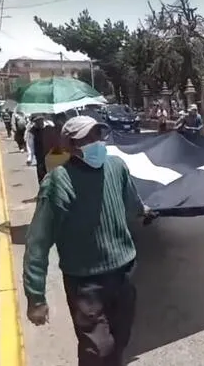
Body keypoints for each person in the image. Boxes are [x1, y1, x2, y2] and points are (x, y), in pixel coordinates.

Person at [23, 115, 151, 365]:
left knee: (120, 341)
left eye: (97, 135)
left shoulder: (117, 167)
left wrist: (146, 212)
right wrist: (36, 297)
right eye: (86, 138)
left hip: (124, 274)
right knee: (97, 350)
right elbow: (37, 242)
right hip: (86, 283)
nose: (95, 142)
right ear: (71, 145)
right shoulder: (59, 182)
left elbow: (133, 203)